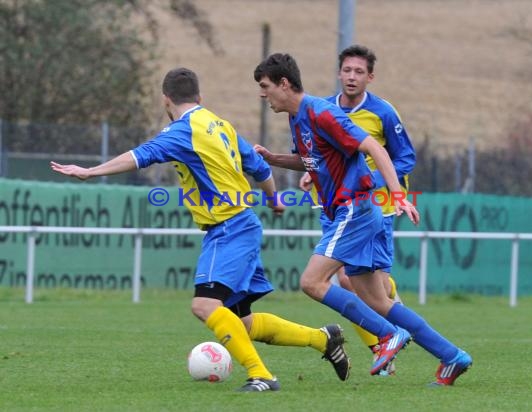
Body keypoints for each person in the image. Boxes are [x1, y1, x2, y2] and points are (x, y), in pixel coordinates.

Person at [50, 67, 350, 392]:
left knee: (204, 305)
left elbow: (140, 156)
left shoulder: (182, 131)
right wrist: (274, 199)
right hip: (243, 223)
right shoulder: (221, 125)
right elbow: (259, 167)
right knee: (242, 323)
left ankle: (262, 376)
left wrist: (91, 172)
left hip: (229, 227)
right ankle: (323, 339)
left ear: (166, 100)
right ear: (199, 98)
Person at [253, 53, 472, 386]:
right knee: (377, 300)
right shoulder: (298, 119)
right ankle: (452, 355)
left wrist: (398, 196)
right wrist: (274, 159)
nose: (262, 94)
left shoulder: (321, 111)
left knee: (312, 282)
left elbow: (374, 147)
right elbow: (309, 160)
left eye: (265, 86)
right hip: (351, 210)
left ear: (284, 84)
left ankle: (387, 336)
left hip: (354, 207)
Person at [298, 44, 415, 377]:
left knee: (352, 279)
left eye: (359, 72)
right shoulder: (322, 110)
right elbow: (318, 155)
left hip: (376, 204)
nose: (352, 77)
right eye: (347, 70)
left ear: (370, 77)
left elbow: (405, 158)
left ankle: (386, 331)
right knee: (346, 278)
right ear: (339, 73)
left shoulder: (383, 113)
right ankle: (383, 344)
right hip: (337, 204)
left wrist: (368, 179)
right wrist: (311, 171)